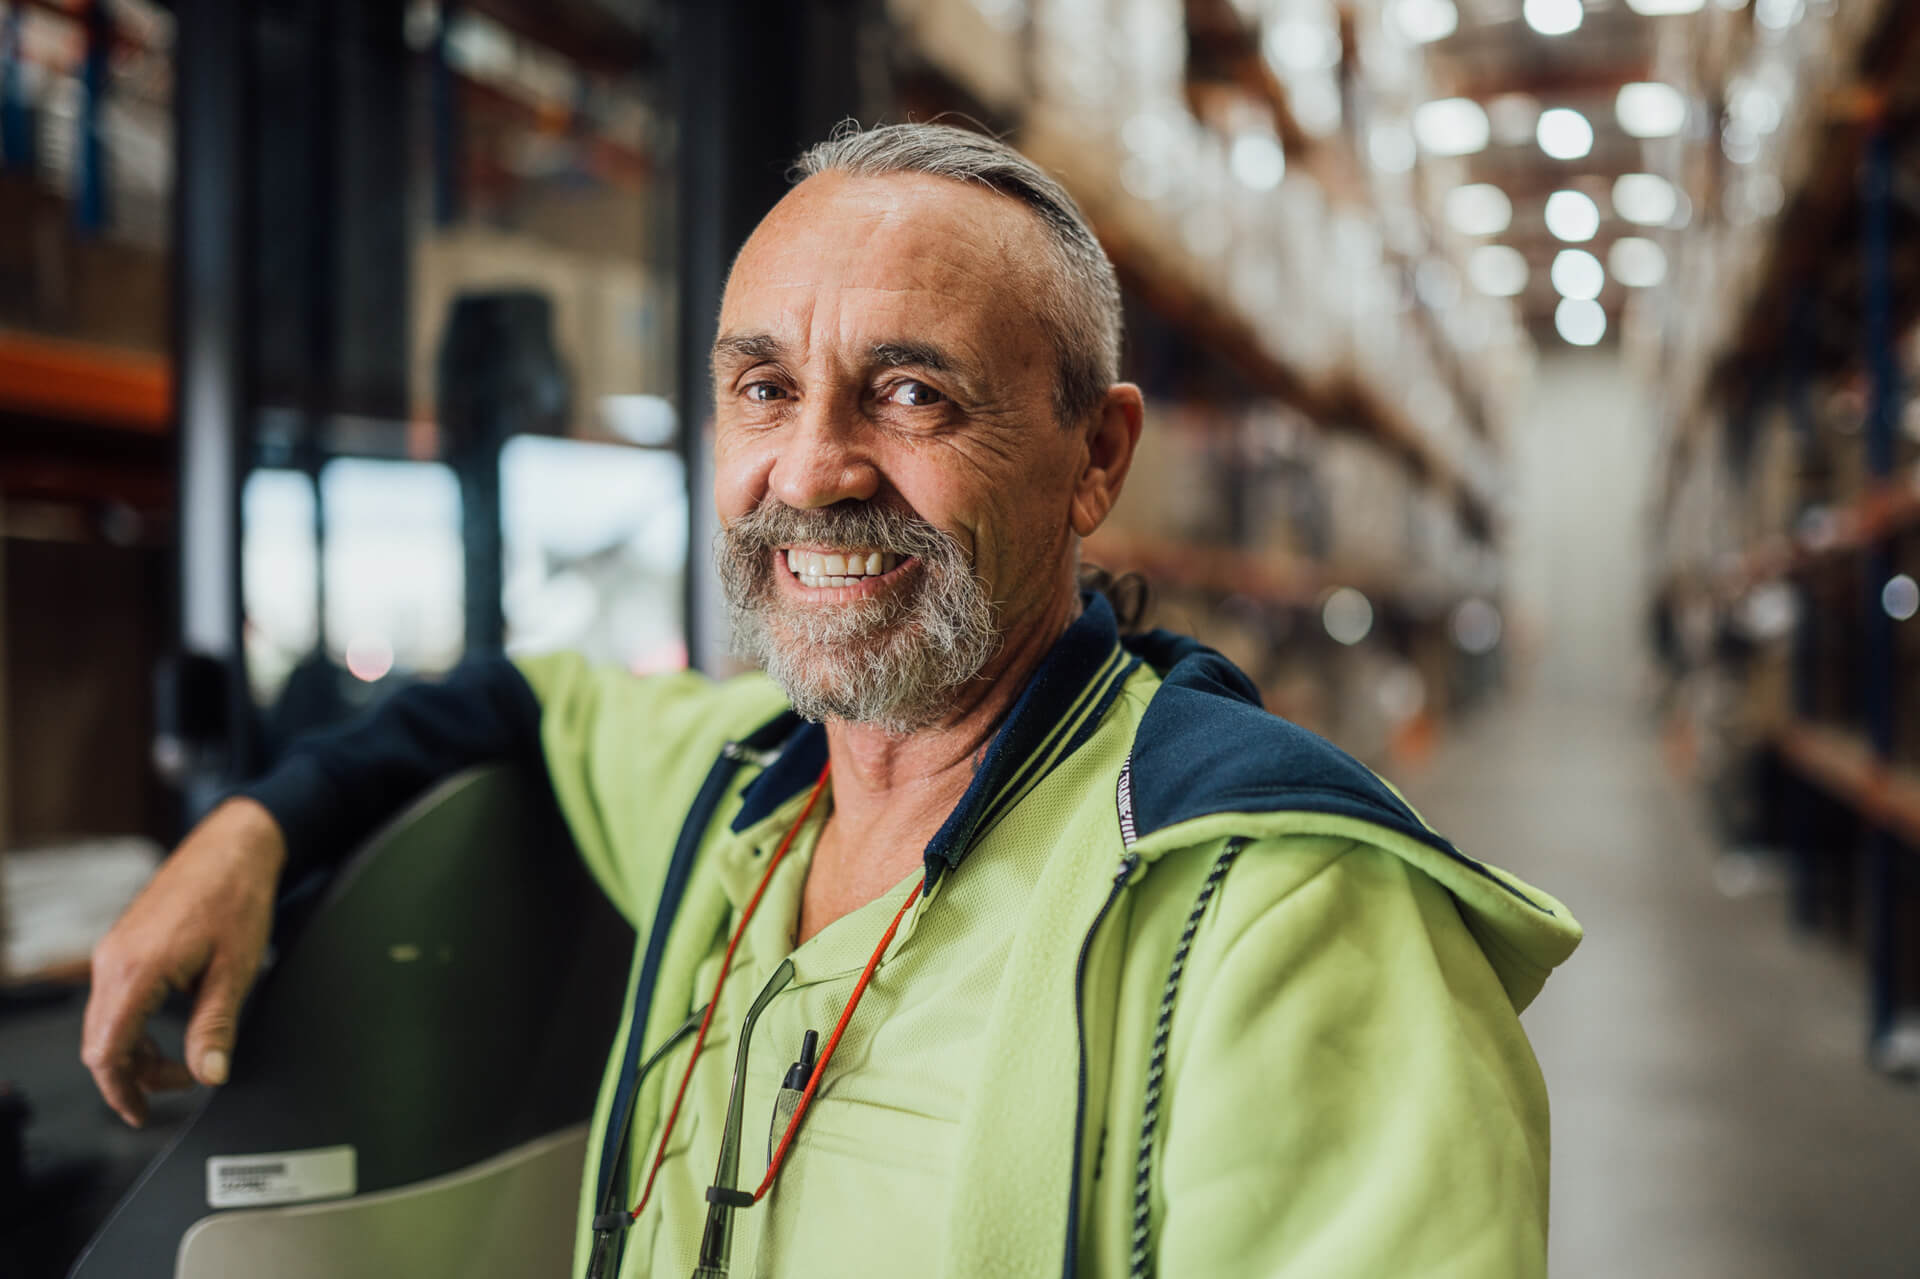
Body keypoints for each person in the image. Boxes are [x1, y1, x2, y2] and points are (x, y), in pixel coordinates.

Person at [82, 122, 1581, 1278]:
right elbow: (521, 699)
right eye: (761, 389)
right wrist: (257, 828)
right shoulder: (739, 794)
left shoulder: (1283, 918)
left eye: (913, 393)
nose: (810, 470)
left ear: (1097, 459)